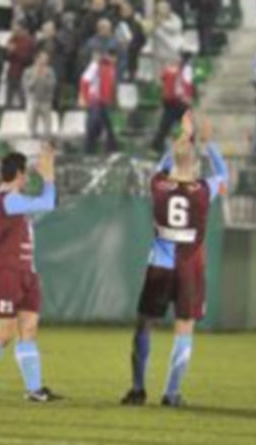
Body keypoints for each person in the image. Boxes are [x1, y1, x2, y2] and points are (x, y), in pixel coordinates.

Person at [121, 113, 227, 407]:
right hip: (189, 270)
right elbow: (223, 175)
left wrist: (183, 137)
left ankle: (138, 390)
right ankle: (172, 392)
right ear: (194, 164)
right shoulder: (204, 191)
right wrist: (207, 142)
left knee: (143, 327)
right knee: (184, 329)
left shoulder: (158, 186)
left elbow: (164, 165)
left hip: (160, 267)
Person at [0, 143, 63, 403]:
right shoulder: (8, 200)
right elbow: (48, 202)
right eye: (26, 173)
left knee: (29, 328)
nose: (27, 177)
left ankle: (34, 389)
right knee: (6, 332)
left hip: (25, 271)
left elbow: (46, 203)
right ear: (19, 174)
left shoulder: (16, 202)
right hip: (6, 272)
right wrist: (49, 175)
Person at [152, 53, 194, 153]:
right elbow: (184, 85)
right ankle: (190, 146)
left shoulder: (169, 69)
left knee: (165, 125)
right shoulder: (184, 70)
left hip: (168, 102)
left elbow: (161, 79)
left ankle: (156, 146)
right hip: (179, 102)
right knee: (186, 125)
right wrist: (187, 98)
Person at [80, 50, 118, 154]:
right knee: (95, 126)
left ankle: (108, 149)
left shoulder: (111, 68)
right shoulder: (96, 66)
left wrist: (110, 100)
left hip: (103, 101)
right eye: (113, 57)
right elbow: (84, 81)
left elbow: (110, 86)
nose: (115, 60)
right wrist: (86, 98)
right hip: (96, 100)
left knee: (103, 126)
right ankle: (91, 150)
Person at [23, 50, 56, 138]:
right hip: (33, 100)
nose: (45, 61)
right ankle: (32, 135)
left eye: (46, 59)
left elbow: (52, 86)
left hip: (45, 101)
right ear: (36, 59)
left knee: (47, 121)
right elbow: (28, 87)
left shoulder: (50, 71)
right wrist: (35, 76)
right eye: (43, 58)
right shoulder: (28, 71)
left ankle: (47, 137)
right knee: (31, 121)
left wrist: (44, 77)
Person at [6, 21, 35, 109]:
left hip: (23, 73)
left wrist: (14, 51)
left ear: (22, 29)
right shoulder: (11, 39)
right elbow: (7, 57)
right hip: (12, 72)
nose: (14, 31)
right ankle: (7, 111)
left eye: (16, 29)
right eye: (13, 29)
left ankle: (24, 111)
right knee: (9, 95)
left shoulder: (29, 41)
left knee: (22, 95)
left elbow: (28, 58)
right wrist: (8, 52)